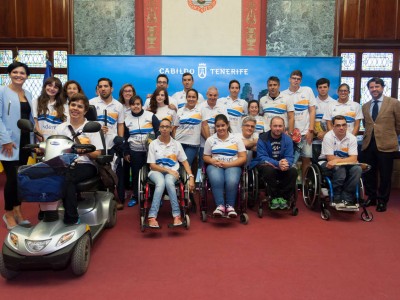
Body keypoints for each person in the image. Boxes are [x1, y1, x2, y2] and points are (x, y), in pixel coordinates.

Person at [55, 93, 103, 225]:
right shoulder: (60, 128)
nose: (75, 108)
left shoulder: (92, 127)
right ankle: (47, 213)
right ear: (68, 106)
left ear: (85, 111)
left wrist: (86, 151)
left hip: (85, 164)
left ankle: (72, 219)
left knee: (67, 177)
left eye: (80, 106)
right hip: (63, 164)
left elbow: (98, 154)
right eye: (73, 105)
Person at [0, 61, 33, 229]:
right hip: (9, 143)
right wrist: (5, 139)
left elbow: (30, 118)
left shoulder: (28, 93)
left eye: (22, 73)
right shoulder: (2, 92)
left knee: (19, 179)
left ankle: (18, 211)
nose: (19, 75)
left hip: (26, 141)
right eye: (15, 72)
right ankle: (8, 214)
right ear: (10, 74)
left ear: (27, 76)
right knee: (12, 179)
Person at [146, 118, 195, 228]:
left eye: (167, 126)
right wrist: (168, 170)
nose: (164, 129)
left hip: (172, 174)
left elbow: (185, 162)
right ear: (159, 128)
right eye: (162, 126)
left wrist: (191, 176)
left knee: (168, 182)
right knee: (161, 183)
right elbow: (152, 165)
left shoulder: (176, 144)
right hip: (156, 171)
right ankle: (152, 216)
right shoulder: (153, 144)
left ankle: (177, 216)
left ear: (171, 128)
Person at [361, 77, 400, 212]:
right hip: (369, 144)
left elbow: (398, 124)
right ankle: (371, 197)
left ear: (383, 88)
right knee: (369, 173)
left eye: (377, 87)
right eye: (371, 87)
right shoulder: (365, 106)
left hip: (386, 144)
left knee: (385, 174)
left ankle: (382, 200)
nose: (374, 89)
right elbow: (367, 124)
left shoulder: (394, 103)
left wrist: (390, 136)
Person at [90, 78, 125, 209]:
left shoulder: (118, 106)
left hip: (112, 145)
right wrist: (97, 127)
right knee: (98, 173)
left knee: (114, 173)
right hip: (95, 146)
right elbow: (86, 124)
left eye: (106, 86)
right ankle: (99, 201)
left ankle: (115, 198)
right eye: (100, 86)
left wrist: (120, 140)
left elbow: (120, 124)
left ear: (112, 88)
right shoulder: (91, 103)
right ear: (98, 89)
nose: (103, 89)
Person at [203, 114, 247, 217]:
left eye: (223, 125)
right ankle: (220, 206)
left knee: (231, 180)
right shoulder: (210, 140)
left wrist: (229, 164)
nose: (220, 128)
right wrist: (213, 161)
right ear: (215, 127)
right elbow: (205, 157)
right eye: (218, 126)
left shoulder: (236, 139)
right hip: (215, 165)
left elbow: (243, 157)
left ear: (227, 125)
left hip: (233, 165)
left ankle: (230, 206)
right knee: (217, 179)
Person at [250, 116, 297, 210]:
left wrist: (285, 163)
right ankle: (274, 197)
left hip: (281, 165)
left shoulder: (287, 139)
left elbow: (290, 157)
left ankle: (284, 198)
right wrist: (277, 163)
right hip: (266, 165)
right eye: (275, 126)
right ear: (270, 126)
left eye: (280, 126)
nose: (277, 128)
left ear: (284, 127)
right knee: (269, 170)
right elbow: (262, 157)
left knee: (293, 171)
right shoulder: (262, 138)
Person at [124, 95, 160, 207]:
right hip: (135, 151)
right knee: (136, 174)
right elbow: (125, 137)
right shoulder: (126, 119)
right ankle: (135, 196)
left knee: (153, 173)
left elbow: (159, 132)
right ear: (130, 106)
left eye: (138, 104)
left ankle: (156, 196)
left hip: (151, 151)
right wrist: (126, 152)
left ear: (141, 105)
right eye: (133, 104)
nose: (136, 106)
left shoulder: (151, 116)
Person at [319, 115, 362, 208]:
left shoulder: (352, 138)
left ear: (347, 126)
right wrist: (345, 160)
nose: (341, 128)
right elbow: (330, 158)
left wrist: (338, 160)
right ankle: (336, 195)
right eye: (338, 125)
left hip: (345, 163)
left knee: (357, 169)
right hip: (325, 162)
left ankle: (347, 196)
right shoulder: (328, 136)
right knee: (340, 169)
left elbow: (354, 159)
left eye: (344, 125)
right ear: (333, 126)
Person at [282, 70, 316, 180]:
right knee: (290, 159)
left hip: (306, 132)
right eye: (294, 78)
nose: (296, 80)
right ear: (289, 79)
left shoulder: (307, 91)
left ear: (300, 80)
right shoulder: (283, 94)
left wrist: (311, 130)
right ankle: (292, 182)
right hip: (289, 134)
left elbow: (312, 110)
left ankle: (304, 183)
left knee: (306, 158)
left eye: (298, 79)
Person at [118, 83, 137, 200]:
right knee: (123, 167)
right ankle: (123, 189)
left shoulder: (137, 106)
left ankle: (134, 190)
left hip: (134, 139)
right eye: (125, 91)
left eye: (130, 91)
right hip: (121, 138)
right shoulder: (118, 106)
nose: (128, 93)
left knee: (134, 165)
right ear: (122, 93)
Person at [173, 88, 202, 166]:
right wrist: (174, 142)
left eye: (193, 97)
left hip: (192, 144)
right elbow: (175, 127)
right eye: (189, 97)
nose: (191, 99)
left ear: (197, 99)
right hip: (179, 143)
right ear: (186, 98)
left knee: (185, 165)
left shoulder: (201, 110)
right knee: (175, 166)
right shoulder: (180, 110)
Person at [200, 86, 226, 168]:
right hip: (203, 143)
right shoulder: (200, 106)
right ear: (207, 95)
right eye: (210, 95)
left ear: (218, 96)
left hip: (219, 144)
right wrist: (209, 141)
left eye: (215, 95)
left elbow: (226, 123)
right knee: (203, 166)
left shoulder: (222, 107)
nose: (212, 97)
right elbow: (201, 125)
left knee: (218, 165)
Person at [313, 78, 335, 161]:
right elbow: (309, 121)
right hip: (315, 140)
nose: (322, 89)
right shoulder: (312, 102)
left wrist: (326, 133)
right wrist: (317, 133)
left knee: (329, 165)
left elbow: (335, 123)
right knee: (315, 165)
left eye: (325, 87)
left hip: (330, 140)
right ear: (317, 89)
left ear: (328, 88)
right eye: (320, 87)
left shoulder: (334, 103)